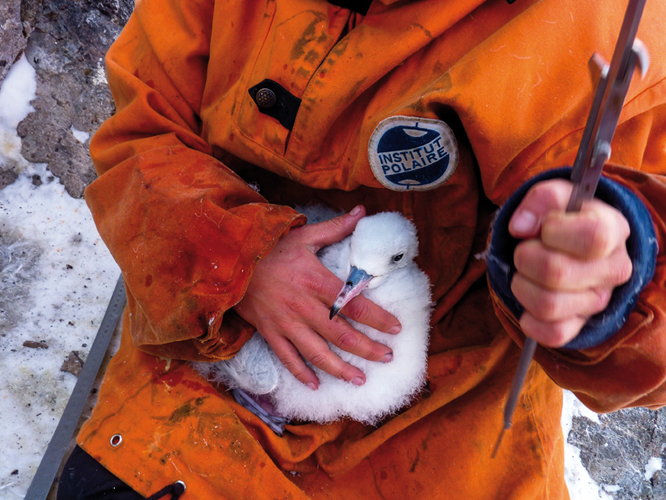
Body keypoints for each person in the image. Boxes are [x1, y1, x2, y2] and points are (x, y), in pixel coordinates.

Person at [58, 0, 666, 498]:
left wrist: (612, 282)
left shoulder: (604, 29)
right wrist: (242, 256)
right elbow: (142, 131)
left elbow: (650, 326)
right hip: (208, 364)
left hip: (442, 440)